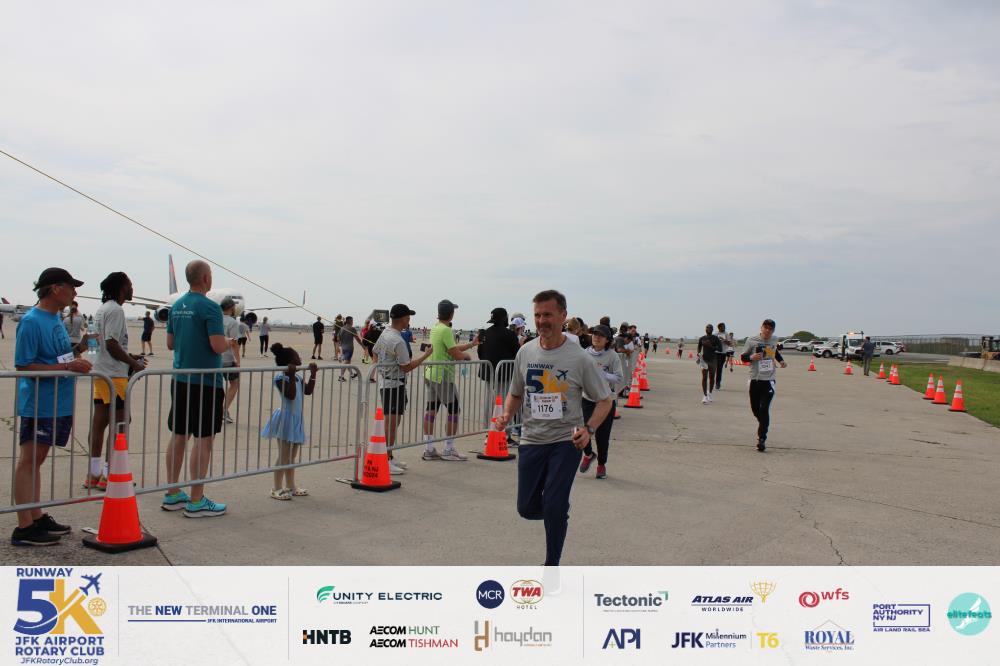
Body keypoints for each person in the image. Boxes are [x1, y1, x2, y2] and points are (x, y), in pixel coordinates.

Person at [494, 290, 613, 566]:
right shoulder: (525, 352)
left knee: (554, 503)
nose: (541, 321)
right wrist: (507, 414)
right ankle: (556, 511)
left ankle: (552, 565)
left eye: (547, 314)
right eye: (537, 315)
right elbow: (516, 392)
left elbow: (605, 401)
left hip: (566, 441)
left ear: (563, 316)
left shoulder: (580, 358)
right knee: (526, 508)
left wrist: (589, 430)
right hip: (532, 439)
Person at [11, 268, 92, 546]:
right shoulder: (31, 322)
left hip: (58, 402)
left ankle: (36, 516)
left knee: (38, 461)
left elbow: (58, 357)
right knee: (29, 461)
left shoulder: (55, 318)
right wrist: (69, 367)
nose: (75, 292)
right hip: (40, 404)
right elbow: (24, 365)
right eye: (71, 286)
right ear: (56, 288)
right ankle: (24, 526)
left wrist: (77, 353)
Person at [162, 260, 230, 517]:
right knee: (204, 439)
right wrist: (230, 342)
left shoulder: (177, 306)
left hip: (180, 378)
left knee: (179, 434)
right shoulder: (211, 307)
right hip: (205, 382)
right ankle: (196, 498)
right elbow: (217, 345)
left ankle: (172, 492)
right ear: (204, 278)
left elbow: (170, 343)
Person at [86, 272, 147, 491]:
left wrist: (128, 356)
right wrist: (133, 363)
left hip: (101, 371)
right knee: (121, 422)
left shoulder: (101, 309)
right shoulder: (116, 310)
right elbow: (111, 343)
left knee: (99, 422)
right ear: (122, 287)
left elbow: (97, 344)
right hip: (114, 376)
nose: (132, 289)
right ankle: (110, 473)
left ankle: (94, 473)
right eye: (130, 285)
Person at [372, 304, 434, 475]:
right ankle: (385, 459)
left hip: (389, 383)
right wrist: (425, 355)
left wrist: (380, 369)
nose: (409, 320)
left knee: (393, 422)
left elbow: (374, 352)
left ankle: (389, 456)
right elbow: (406, 366)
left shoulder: (386, 333)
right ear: (403, 319)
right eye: (408, 317)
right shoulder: (397, 340)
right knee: (391, 424)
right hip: (393, 385)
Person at [422, 299, 478, 461]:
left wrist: (471, 344)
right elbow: (456, 354)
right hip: (443, 376)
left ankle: (429, 448)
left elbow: (451, 348)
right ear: (451, 314)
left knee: (431, 410)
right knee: (454, 410)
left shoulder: (436, 328)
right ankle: (448, 448)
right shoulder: (446, 330)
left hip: (431, 374)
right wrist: (466, 356)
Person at [262, 343, 317, 499]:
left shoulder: (297, 377)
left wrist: (313, 374)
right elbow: (291, 395)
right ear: (289, 363)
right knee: (284, 455)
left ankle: (291, 486)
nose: (300, 359)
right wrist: (291, 376)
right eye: (296, 357)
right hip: (286, 418)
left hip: (296, 418)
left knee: (292, 456)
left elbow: (308, 391)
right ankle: (276, 488)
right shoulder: (281, 378)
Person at [579, 325, 622, 479]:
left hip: (606, 401)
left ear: (607, 340)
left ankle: (601, 464)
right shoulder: (584, 354)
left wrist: (602, 374)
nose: (596, 337)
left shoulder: (612, 356)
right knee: (581, 432)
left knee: (602, 437)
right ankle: (588, 454)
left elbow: (619, 378)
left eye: (601, 335)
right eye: (595, 334)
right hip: (587, 399)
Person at [740, 318, 787, 452]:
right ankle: (763, 424)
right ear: (761, 328)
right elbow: (743, 357)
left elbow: (774, 351)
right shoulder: (751, 340)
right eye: (765, 328)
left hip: (769, 380)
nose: (768, 331)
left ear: (773, 330)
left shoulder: (774, 339)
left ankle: (762, 439)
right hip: (754, 379)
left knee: (764, 409)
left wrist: (781, 361)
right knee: (755, 409)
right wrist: (751, 357)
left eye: (770, 329)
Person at [220, 297, 242, 424]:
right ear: (231, 308)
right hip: (227, 359)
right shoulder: (232, 322)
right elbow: (234, 343)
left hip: (215, 358)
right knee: (234, 384)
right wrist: (238, 361)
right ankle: (224, 410)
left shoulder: (216, 319)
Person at [697, 324, 722, 404]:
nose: (708, 329)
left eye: (710, 328)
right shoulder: (702, 338)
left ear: (712, 329)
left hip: (713, 360)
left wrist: (710, 346)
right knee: (704, 377)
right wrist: (698, 354)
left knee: (711, 378)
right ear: (705, 329)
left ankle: (710, 393)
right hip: (704, 360)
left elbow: (720, 349)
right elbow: (699, 347)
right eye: (707, 327)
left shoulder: (715, 338)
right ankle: (704, 396)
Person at [337, 316, 361, 380]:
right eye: (352, 321)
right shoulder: (352, 328)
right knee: (346, 361)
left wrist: (340, 348)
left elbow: (338, 339)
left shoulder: (342, 328)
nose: (353, 322)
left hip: (343, 347)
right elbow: (357, 339)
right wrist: (363, 346)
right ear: (350, 321)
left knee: (348, 362)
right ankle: (341, 376)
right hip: (349, 348)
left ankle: (352, 374)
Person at [716, 322, 734, 390]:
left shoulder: (726, 334)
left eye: (724, 327)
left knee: (720, 368)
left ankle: (718, 382)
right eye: (723, 327)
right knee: (717, 368)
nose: (724, 328)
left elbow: (730, 344)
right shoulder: (715, 334)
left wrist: (723, 340)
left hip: (723, 353)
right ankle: (716, 382)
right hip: (716, 353)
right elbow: (713, 343)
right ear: (719, 327)